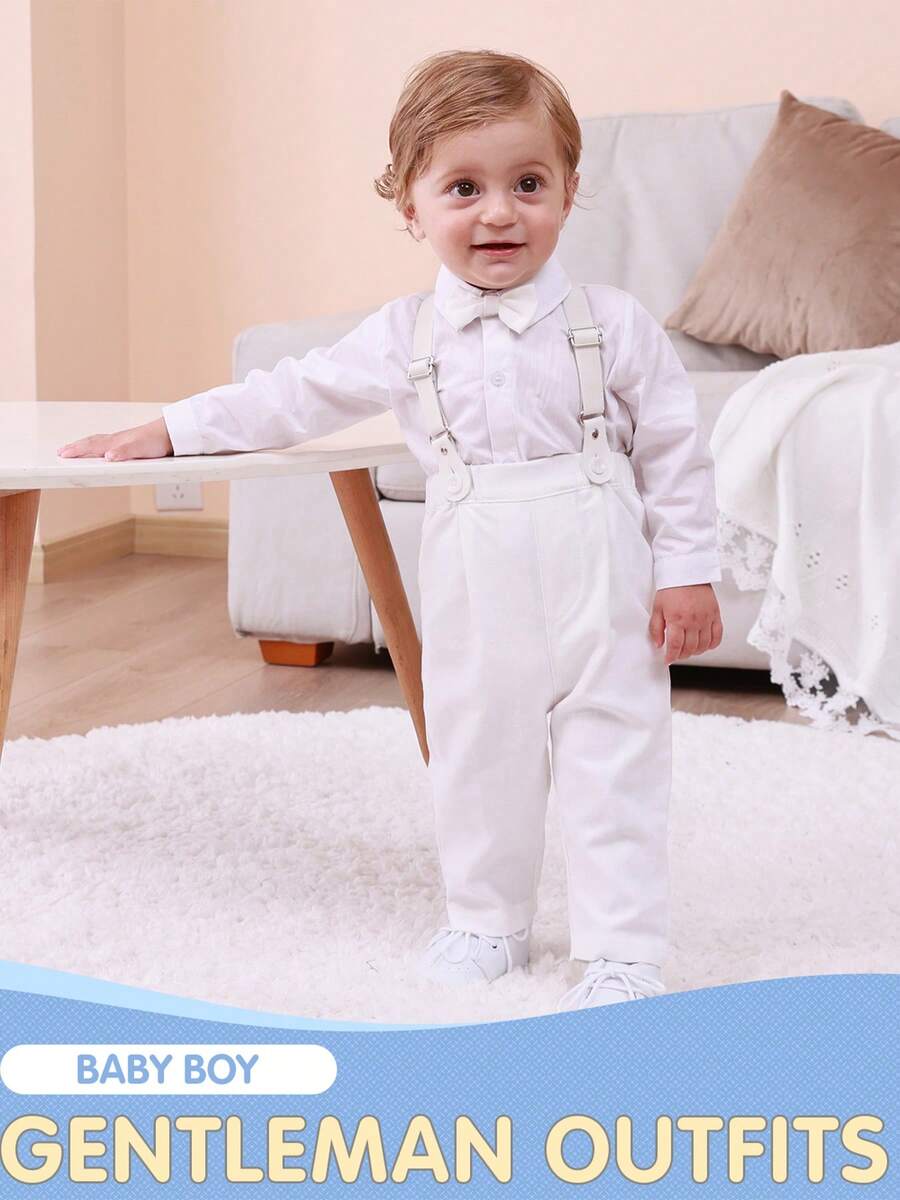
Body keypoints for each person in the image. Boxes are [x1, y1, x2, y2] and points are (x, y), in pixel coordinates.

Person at [58, 49, 724, 1010]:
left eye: (528, 184)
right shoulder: (405, 335)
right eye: (464, 188)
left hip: (603, 581)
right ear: (411, 205)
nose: (499, 213)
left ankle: (621, 946)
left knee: (615, 752)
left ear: (569, 192)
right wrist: (174, 428)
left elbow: (674, 451)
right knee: (475, 748)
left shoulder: (613, 324)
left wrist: (686, 570)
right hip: (475, 580)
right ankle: (486, 921)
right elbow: (292, 395)